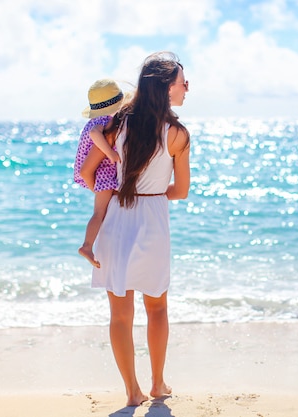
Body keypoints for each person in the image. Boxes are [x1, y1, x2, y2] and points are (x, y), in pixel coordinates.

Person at [91, 51, 190, 406]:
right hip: (150, 220)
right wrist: (151, 191)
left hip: (116, 217)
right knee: (157, 309)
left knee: (119, 313)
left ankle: (131, 391)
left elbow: (89, 171)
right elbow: (180, 191)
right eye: (183, 81)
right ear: (166, 87)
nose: (187, 88)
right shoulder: (177, 133)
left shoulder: (116, 123)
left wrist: (115, 190)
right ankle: (158, 383)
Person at [74, 78, 125, 268]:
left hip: (99, 170)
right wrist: (110, 152)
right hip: (102, 171)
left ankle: (88, 245)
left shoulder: (96, 120)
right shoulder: (104, 121)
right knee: (99, 212)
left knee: (100, 210)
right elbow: (96, 134)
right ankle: (87, 246)